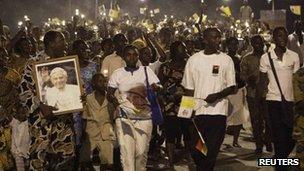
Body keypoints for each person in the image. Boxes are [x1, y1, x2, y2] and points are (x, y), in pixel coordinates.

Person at [18, 30, 76, 170]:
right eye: (61, 40)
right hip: (41, 122)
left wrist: (80, 97)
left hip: (63, 121)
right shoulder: (33, 63)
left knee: (64, 160)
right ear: (50, 43)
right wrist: (41, 105)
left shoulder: (67, 63)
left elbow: (75, 87)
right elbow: (24, 91)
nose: (65, 43)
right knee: (39, 160)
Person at [182, 27, 236, 171]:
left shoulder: (226, 60)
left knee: (211, 151)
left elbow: (232, 87)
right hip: (198, 114)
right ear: (205, 40)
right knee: (198, 150)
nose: (218, 40)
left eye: (219, 37)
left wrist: (217, 96)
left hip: (218, 113)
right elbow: (188, 89)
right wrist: (186, 113)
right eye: (214, 37)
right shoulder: (193, 60)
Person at [107, 45, 162, 170]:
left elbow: (159, 86)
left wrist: (156, 88)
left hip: (144, 116)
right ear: (124, 57)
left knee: (141, 151)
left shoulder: (146, 71)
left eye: (134, 54)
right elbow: (109, 93)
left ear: (138, 56)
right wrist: (116, 102)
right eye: (128, 54)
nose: (131, 57)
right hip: (124, 117)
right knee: (127, 151)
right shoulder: (117, 74)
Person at [257, 27, 300, 171]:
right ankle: (281, 167)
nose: (282, 38)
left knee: (291, 137)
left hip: (290, 102)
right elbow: (262, 83)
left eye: (284, 36)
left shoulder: (294, 56)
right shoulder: (266, 57)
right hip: (273, 101)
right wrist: (261, 106)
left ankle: (278, 160)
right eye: (278, 36)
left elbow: (297, 81)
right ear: (274, 39)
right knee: (279, 136)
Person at [158, 41, 190, 167]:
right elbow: (159, 84)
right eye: (182, 49)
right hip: (169, 101)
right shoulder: (165, 67)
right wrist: (161, 98)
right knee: (170, 131)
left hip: (187, 101)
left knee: (187, 130)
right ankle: (170, 160)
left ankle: (188, 157)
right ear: (175, 51)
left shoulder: (188, 65)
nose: (185, 51)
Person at [240, 35, 272, 154]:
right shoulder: (247, 59)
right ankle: (259, 144)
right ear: (252, 45)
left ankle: (268, 140)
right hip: (253, 94)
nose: (260, 45)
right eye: (257, 43)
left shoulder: (269, 57)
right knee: (256, 120)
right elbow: (242, 76)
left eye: (261, 43)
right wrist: (249, 79)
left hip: (268, 93)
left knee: (269, 120)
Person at [82, 73, 115, 170]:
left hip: (105, 131)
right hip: (91, 131)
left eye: (104, 81)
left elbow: (114, 116)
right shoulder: (88, 98)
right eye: (100, 81)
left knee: (108, 163)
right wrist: (83, 133)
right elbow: (84, 116)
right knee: (85, 161)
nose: (103, 84)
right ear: (94, 84)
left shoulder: (110, 98)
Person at [225, 37, 248, 148]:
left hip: (239, 90)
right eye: (231, 44)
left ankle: (235, 140)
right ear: (227, 45)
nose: (234, 46)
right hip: (227, 91)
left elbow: (243, 76)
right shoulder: (224, 58)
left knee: (239, 116)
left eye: (235, 44)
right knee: (225, 116)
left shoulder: (240, 58)